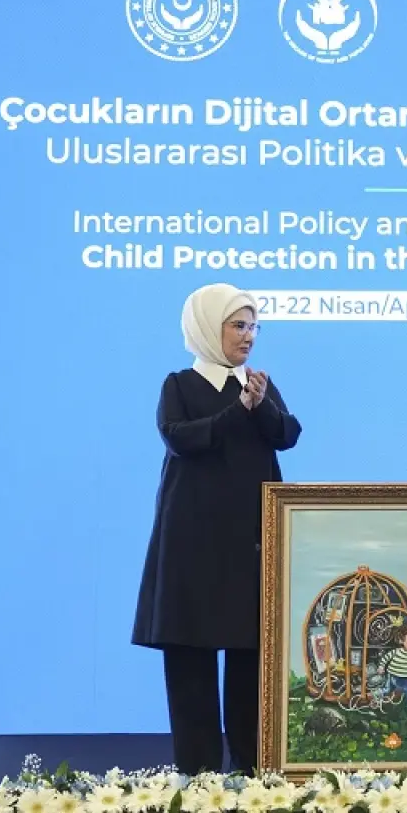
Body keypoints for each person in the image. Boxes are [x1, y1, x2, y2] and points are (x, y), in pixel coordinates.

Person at [131, 283, 301, 777]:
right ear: (208, 327)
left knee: (250, 658)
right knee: (191, 659)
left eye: (254, 327)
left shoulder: (258, 384)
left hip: (251, 541)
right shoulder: (179, 385)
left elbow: (288, 434)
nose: (248, 336)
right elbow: (181, 438)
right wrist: (238, 409)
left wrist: (259, 403)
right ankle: (198, 776)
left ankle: (253, 772)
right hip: (192, 543)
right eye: (238, 325)